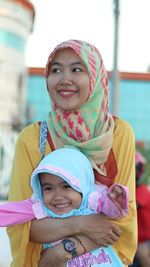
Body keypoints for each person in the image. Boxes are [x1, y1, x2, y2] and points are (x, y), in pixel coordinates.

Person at [7, 39, 137, 267]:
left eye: (77, 69)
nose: (64, 79)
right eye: (56, 70)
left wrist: (65, 251)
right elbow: (23, 225)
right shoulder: (32, 138)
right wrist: (83, 224)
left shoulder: (118, 134)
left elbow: (121, 220)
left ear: (95, 79)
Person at [1, 147, 128, 266]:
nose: (58, 196)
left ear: (82, 185)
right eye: (48, 188)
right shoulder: (41, 208)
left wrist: (117, 198)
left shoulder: (92, 201)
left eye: (66, 186)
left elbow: (116, 213)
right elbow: (9, 212)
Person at [133, 151, 150, 267]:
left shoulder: (141, 190)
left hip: (144, 237)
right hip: (135, 237)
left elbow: (134, 205)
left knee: (143, 255)